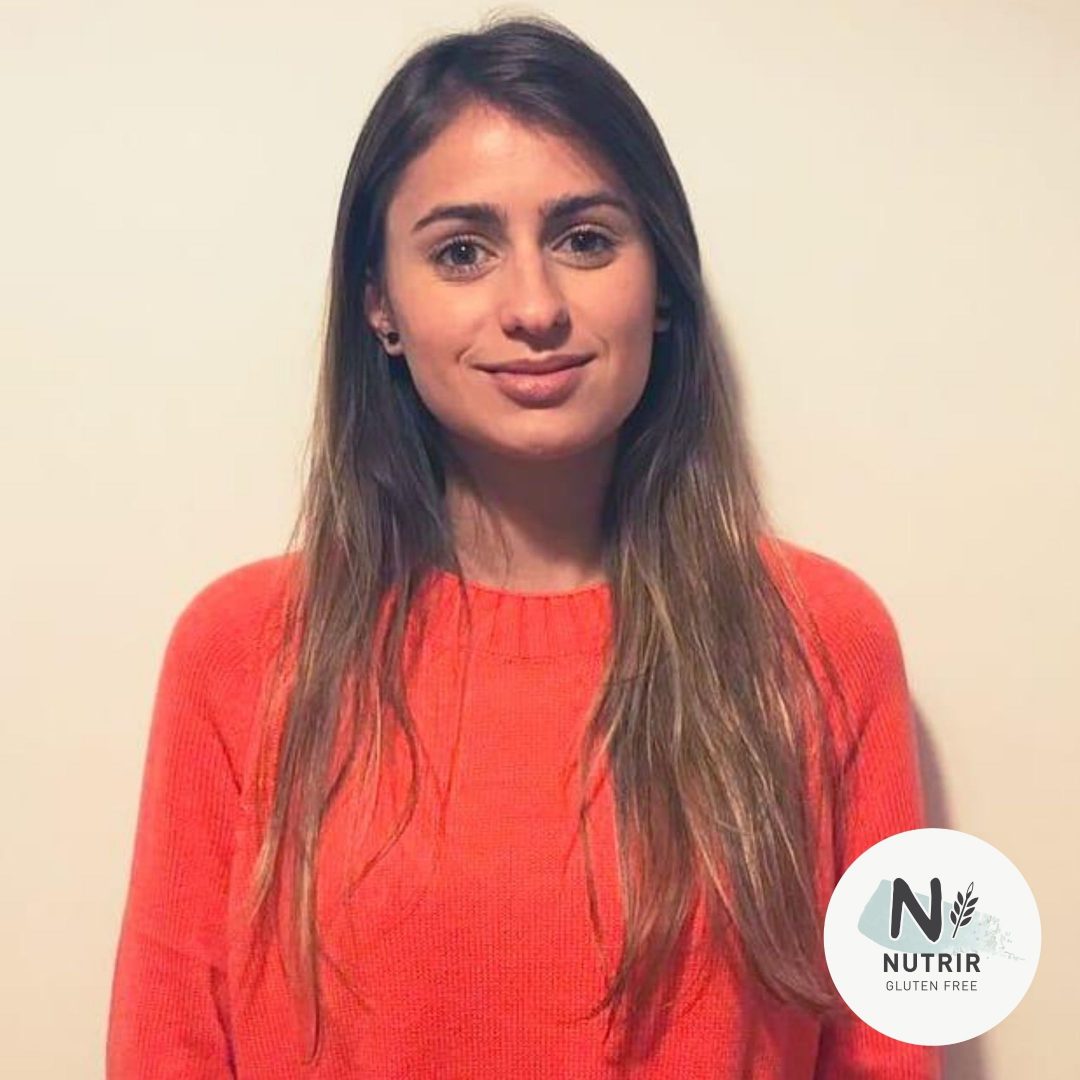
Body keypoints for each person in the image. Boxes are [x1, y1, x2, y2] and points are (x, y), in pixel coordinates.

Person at [106, 13, 939, 1078]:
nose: (534, 306)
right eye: (462, 252)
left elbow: (887, 1053)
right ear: (381, 308)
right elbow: (166, 1048)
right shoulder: (242, 650)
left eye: (585, 239)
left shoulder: (823, 640)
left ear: (663, 284)